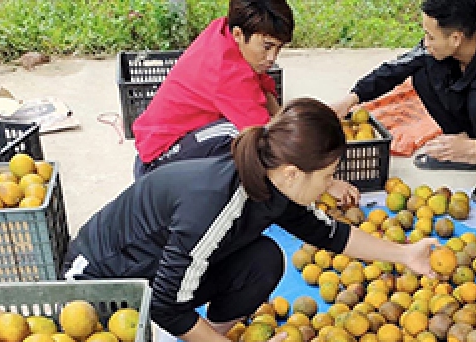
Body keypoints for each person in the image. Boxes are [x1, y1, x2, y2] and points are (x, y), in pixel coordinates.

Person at [66, 99, 436, 342]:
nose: (330, 185)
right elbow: (165, 306)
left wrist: (405, 254)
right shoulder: (215, 205)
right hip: (104, 280)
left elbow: (330, 234)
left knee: (264, 258)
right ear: (293, 173)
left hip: (158, 262)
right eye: (327, 175)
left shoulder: (272, 180)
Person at [132, 0, 358, 205]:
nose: (272, 58)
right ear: (239, 34)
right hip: (159, 163)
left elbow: (264, 95)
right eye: (267, 47)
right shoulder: (228, 74)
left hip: (177, 141)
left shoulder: (225, 32)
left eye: (278, 48)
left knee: (263, 133)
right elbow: (269, 140)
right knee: (247, 140)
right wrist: (325, 182)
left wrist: (289, 121)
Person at [329, 0, 476, 203]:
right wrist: (351, 99)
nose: (426, 42)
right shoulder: (442, 49)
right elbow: (397, 68)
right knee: (422, 73)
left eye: (430, 36)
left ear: (456, 38)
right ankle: (460, 149)